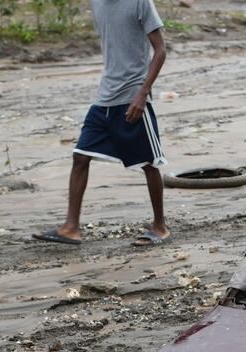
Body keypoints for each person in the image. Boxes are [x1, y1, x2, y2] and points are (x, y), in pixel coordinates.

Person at [33, 0, 169, 246]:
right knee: (80, 156)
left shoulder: (140, 3)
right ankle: (70, 227)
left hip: (132, 98)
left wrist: (142, 93)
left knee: (149, 163)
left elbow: (160, 50)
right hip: (104, 98)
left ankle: (160, 226)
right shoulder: (97, 3)